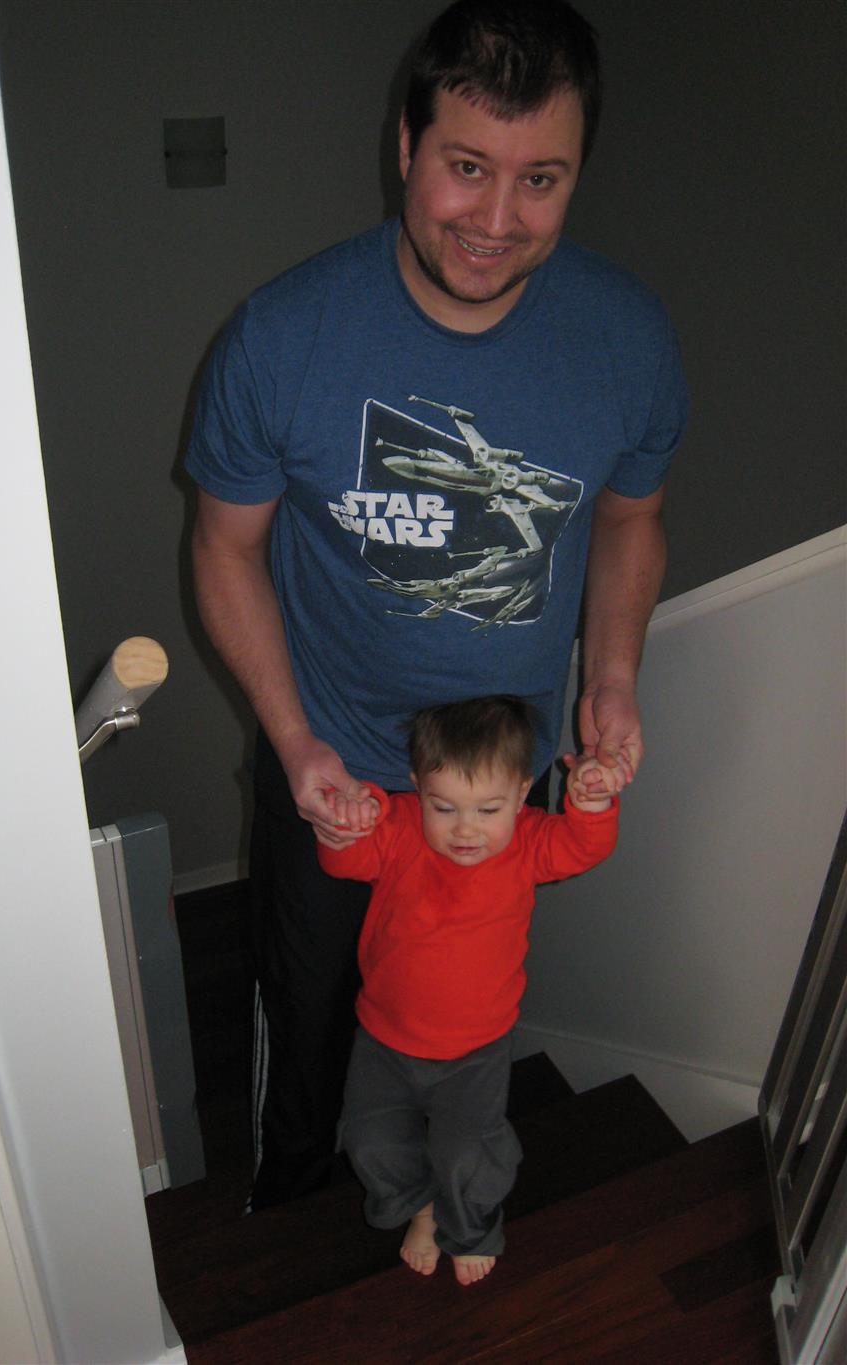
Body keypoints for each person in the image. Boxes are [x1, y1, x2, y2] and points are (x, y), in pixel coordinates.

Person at [187, 0, 686, 1210]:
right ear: (405, 146)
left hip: (498, 784)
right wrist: (293, 741)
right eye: (467, 167)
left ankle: (426, 1184)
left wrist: (612, 678)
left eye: (539, 180)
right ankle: (294, 1201)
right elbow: (223, 547)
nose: (497, 220)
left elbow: (629, 521)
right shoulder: (281, 338)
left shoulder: (627, 342)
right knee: (309, 1006)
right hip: (333, 767)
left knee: (460, 1003)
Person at [316, 695, 618, 1284]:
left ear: (523, 794)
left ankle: (471, 1228)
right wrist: (344, 821)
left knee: (466, 1154)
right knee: (371, 1141)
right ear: (416, 788)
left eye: (488, 809)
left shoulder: (528, 842)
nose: (465, 828)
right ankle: (420, 1209)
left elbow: (583, 847)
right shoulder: (399, 826)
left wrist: (592, 803)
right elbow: (343, 862)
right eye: (444, 806)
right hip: (383, 1037)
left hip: (476, 1049)